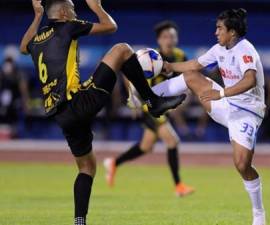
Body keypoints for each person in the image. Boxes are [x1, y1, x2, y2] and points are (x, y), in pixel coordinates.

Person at [19, 0, 185, 224]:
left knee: (87, 167)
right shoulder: (68, 25)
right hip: (79, 101)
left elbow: (23, 47)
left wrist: (38, 15)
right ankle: (152, 100)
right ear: (63, 13)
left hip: (61, 115)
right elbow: (110, 26)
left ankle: (80, 221)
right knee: (122, 49)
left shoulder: (38, 39)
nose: (75, 10)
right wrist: (96, 6)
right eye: (72, 6)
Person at [151, 8, 266, 225]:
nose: (216, 32)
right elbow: (194, 65)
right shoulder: (219, 48)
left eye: (219, 28)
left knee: (242, 165)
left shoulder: (245, 49)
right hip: (225, 105)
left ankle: (258, 212)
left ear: (232, 32)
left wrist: (221, 92)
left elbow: (250, 80)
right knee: (191, 76)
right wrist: (168, 66)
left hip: (247, 113)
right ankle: (150, 96)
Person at [103, 20, 194, 197]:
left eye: (173, 36)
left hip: (163, 105)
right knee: (172, 141)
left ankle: (113, 163)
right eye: (166, 36)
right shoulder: (150, 57)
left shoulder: (180, 55)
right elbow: (128, 71)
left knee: (146, 147)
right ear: (159, 40)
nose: (170, 40)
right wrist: (133, 96)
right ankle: (179, 186)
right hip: (150, 106)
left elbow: (187, 77)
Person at [0, 56, 31, 137]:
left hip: (15, 104)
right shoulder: (1, 74)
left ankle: (14, 133)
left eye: (10, 63)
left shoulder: (18, 74)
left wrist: (26, 104)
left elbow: (24, 90)